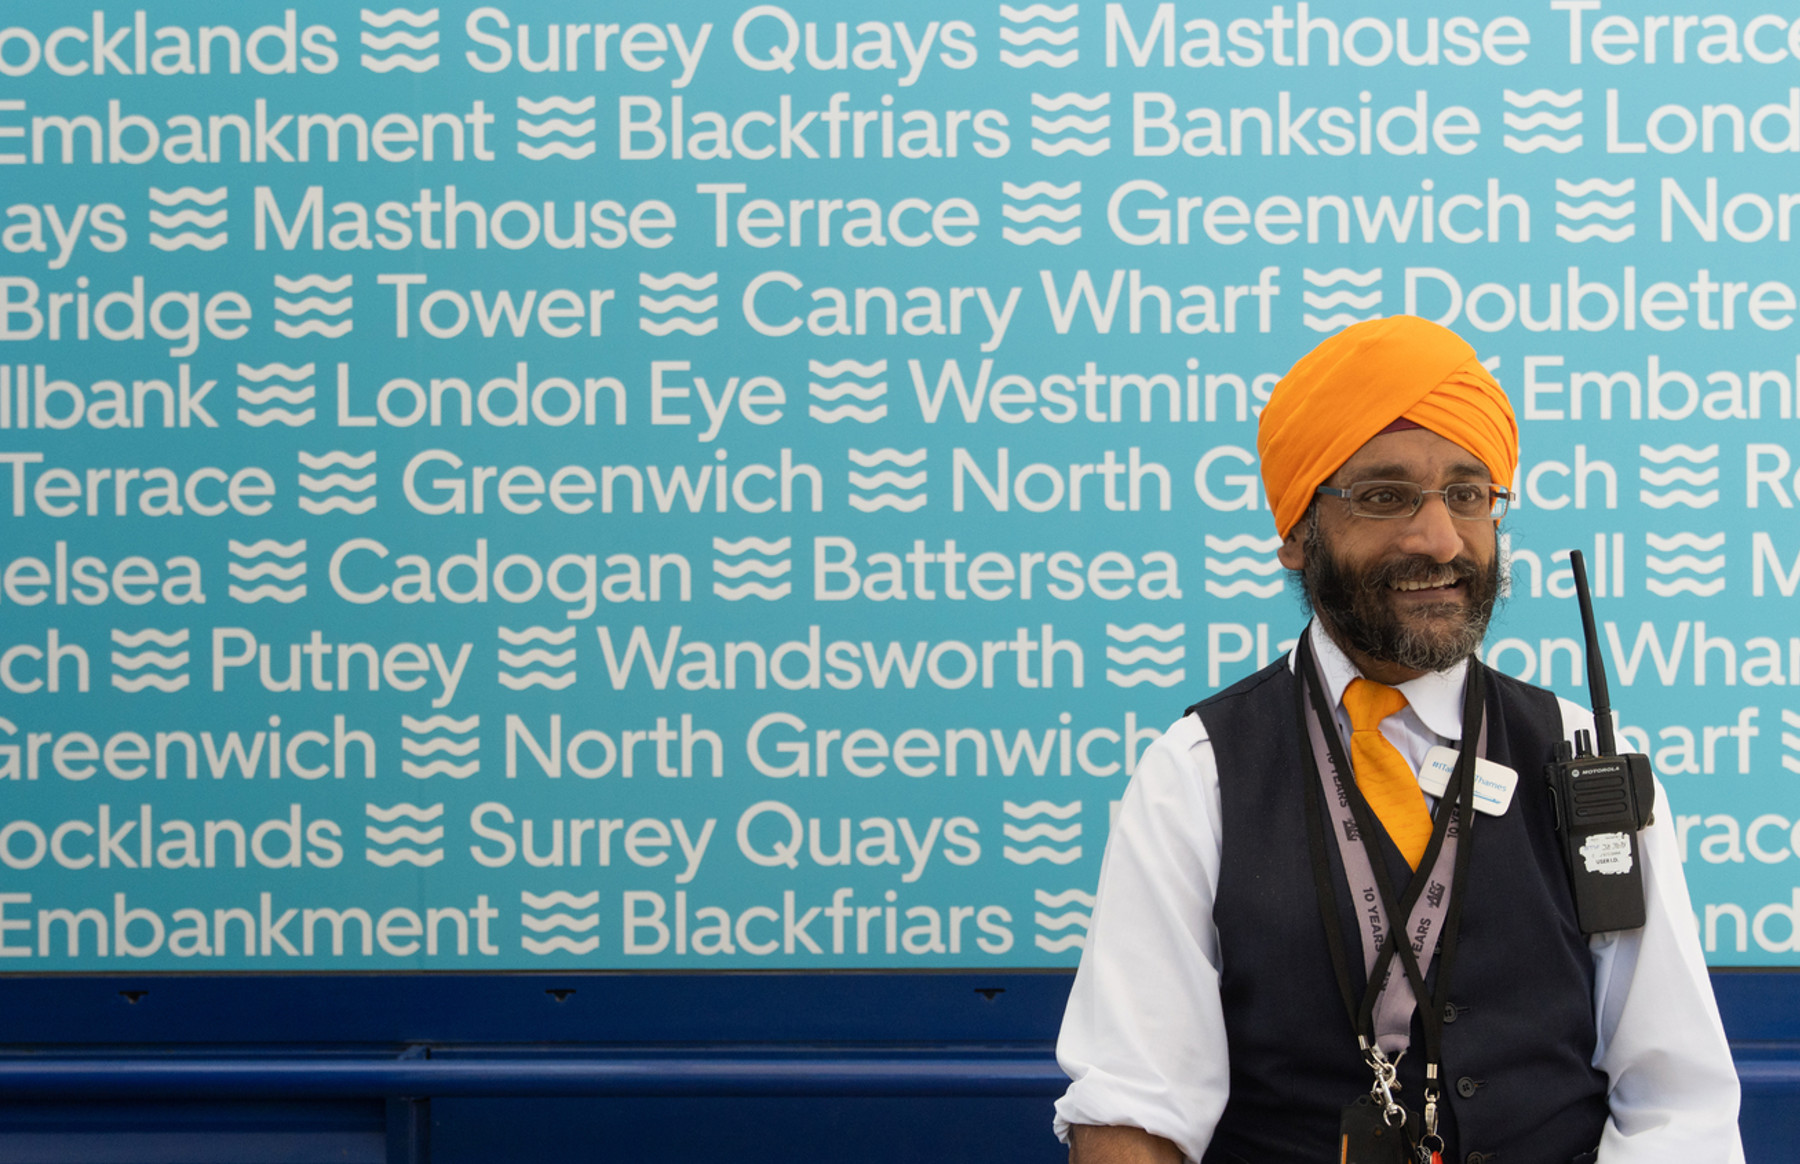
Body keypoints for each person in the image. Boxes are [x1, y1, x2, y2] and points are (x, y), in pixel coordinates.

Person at [1054, 316, 1742, 1163]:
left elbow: (1677, 1103)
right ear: (1298, 535)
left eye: (1469, 494)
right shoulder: (1198, 773)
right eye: (1385, 497)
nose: (1441, 540)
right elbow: (1133, 1112)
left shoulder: (1582, 756)